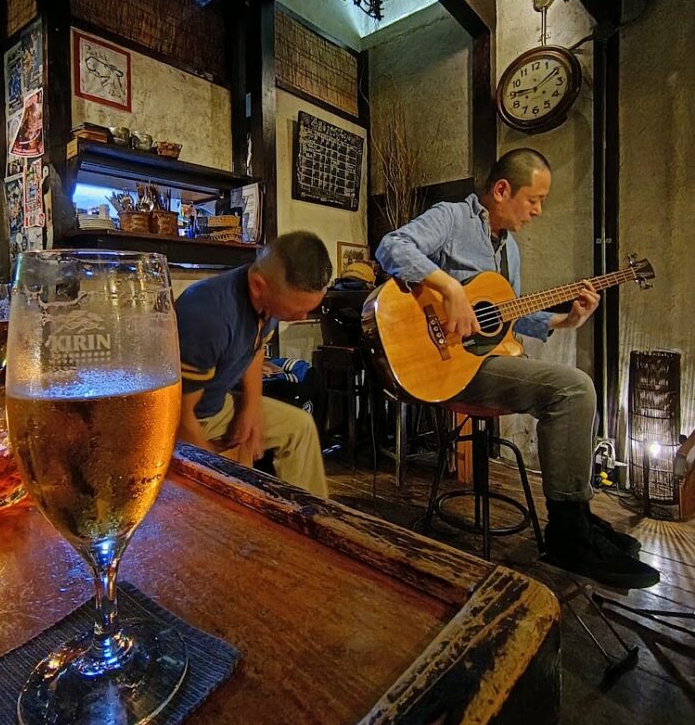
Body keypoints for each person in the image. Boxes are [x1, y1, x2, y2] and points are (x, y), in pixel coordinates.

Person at [375, 148, 659, 589]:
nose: (538, 211)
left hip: (487, 361)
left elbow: (509, 315)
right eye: (534, 200)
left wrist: (567, 320)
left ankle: (578, 518)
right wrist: (449, 287)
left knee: (570, 387)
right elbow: (391, 247)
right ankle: (568, 535)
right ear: (502, 190)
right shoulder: (452, 217)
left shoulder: (510, 251)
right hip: (448, 365)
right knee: (573, 388)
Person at [175, 231, 331, 498]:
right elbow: (178, 416)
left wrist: (251, 408)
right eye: (296, 310)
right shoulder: (208, 316)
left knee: (300, 427)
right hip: (188, 417)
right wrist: (222, 471)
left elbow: (255, 349)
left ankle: (309, 516)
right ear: (259, 285)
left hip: (217, 404)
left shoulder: (266, 300)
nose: (303, 316)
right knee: (233, 491)